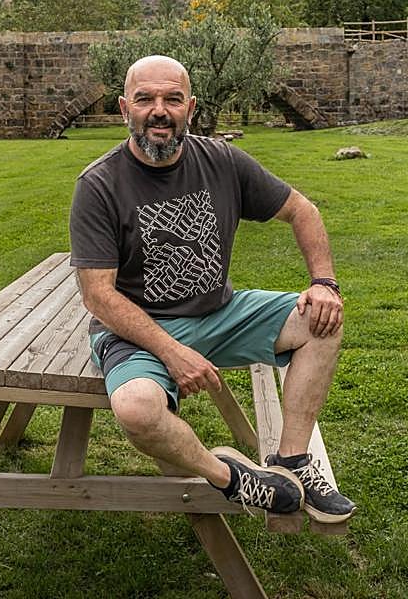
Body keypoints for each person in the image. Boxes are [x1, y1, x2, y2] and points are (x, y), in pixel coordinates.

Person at [69, 54, 355, 522]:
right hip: (137, 332)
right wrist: (172, 352)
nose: (159, 111)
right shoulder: (99, 185)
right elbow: (98, 295)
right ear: (124, 109)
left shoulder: (221, 160)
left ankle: (292, 461)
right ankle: (233, 478)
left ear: (191, 107)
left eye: (172, 99)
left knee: (322, 321)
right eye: (144, 99)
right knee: (137, 410)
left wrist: (323, 283)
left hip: (220, 313)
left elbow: (302, 210)